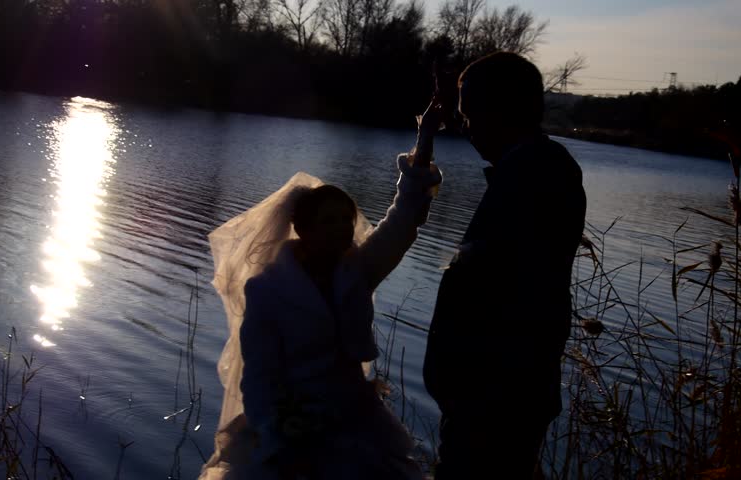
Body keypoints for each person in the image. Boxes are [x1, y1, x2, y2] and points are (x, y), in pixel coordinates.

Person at [200, 101, 444, 480]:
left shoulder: (358, 271)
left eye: (345, 220)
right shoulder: (267, 290)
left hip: (357, 424)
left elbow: (404, 218)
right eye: (328, 221)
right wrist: (278, 438)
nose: (341, 229)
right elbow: (260, 377)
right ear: (303, 228)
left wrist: (425, 137)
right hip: (291, 429)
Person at [423, 51, 587, 478]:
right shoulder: (536, 167)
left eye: (469, 114)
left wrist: (455, 384)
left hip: (493, 400)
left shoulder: (533, 175)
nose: (466, 126)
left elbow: (497, 291)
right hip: (500, 395)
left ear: (497, 109)